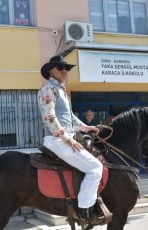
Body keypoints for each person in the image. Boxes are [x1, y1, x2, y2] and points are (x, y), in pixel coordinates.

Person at [38, 55, 103, 226]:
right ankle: (84, 212)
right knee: (96, 168)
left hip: (64, 139)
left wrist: (86, 128)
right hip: (57, 141)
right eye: (60, 68)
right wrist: (67, 138)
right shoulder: (48, 89)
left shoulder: (62, 91)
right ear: (51, 70)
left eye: (67, 68)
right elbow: (49, 117)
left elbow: (70, 118)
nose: (64, 70)